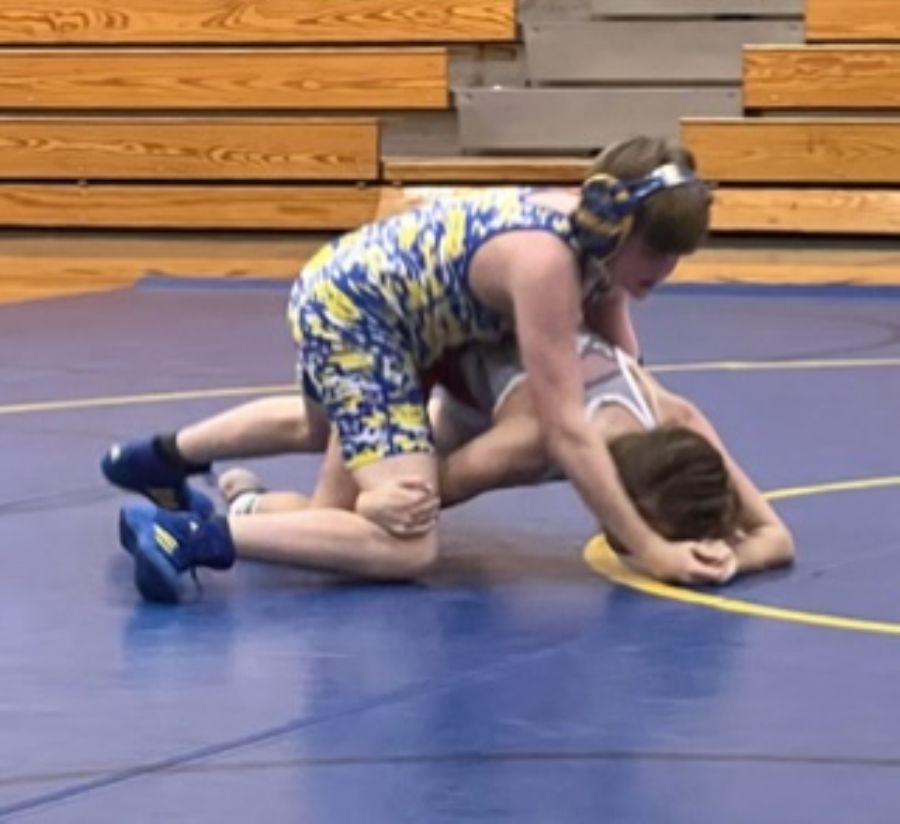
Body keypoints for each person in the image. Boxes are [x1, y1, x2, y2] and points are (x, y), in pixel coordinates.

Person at [103, 134, 722, 603]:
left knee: (319, 435)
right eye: (658, 253)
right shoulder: (547, 266)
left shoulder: (593, 241)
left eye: (678, 255)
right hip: (363, 321)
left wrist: (672, 461)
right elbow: (566, 428)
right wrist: (652, 548)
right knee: (405, 541)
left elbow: (630, 369)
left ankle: (160, 458)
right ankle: (187, 536)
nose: (666, 271)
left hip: (359, 291)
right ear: (619, 229)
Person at [209, 334, 796, 585]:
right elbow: (417, 498)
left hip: (470, 380)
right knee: (368, 529)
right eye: (637, 533)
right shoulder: (533, 442)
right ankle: (241, 507)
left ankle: (197, 465)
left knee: (319, 448)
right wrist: (375, 501)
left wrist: (733, 559)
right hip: (390, 353)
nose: (632, 547)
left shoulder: (679, 424)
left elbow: (777, 537)